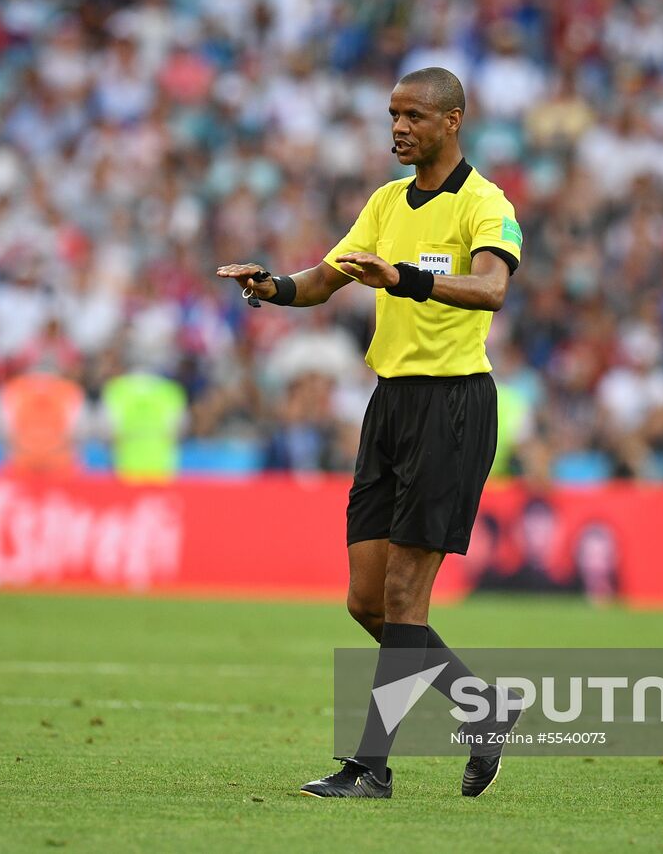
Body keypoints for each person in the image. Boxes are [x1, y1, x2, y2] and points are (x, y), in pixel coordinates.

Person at [217, 67, 524, 799]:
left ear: (452, 121)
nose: (398, 127)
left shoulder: (486, 203)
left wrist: (405, 282)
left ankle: (369, 767)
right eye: (392, 114)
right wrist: (273, 288)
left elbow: (492, 289)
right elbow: (328, 277)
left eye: (414, 115)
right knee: (367, 600)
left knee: (407, 597)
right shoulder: (387, 201)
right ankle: (487, 712)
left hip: (453, 407)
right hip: (389, 406)